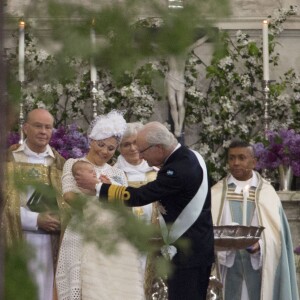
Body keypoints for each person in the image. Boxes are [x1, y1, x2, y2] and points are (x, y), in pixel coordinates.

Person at [75, 121, 215, 300]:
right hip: (196, 248)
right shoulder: (190, 156)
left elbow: (140, 196)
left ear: (158, 148)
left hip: (187, 254)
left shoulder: (177, 169)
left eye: (142, 151)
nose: (140, 156)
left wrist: (98, 187)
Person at [55, 110, 144, 300]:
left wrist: (109, 191)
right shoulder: (73, 164)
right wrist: (103, 195)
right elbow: (69, 196)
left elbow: (124, 207)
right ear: (91, 140)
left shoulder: (118, 174)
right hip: (82, 233)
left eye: (111, 148)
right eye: (101, 144)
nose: (104, 151)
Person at [211, 139, 299, 300]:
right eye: (231, 158)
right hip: (227, 270)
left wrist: (260, 246)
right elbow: (208, 232)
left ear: (254, 162)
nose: (235, 163)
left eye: (241, 158)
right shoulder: (216, 193)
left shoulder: (267, 193)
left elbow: (278, 238)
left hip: (258, 271)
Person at [2, 108, 67, 300]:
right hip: (17, 239)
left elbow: (72, 204)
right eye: (38, 126)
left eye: (48, 127)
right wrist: (35, 219)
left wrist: (62, 217)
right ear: (25, 128)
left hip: (52, 243)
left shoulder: (61, 164)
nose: (43, 131)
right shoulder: (8, 161)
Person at [114, 122, 163, 298]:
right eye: (126, 144)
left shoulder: (158, 172)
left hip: (155, 243)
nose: (133, 148)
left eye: (135, 142)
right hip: (125, 243)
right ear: (119, 148)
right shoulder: (113, 174)